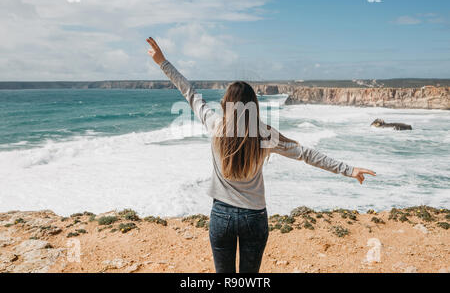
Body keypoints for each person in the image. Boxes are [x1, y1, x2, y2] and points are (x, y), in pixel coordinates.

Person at [146, 37, 376, 273]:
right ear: (253, 105)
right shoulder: (264, 135)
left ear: (226, 103)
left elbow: (190, 93)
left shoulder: (215, 125)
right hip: (254, 217)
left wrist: (162, 62)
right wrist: (349, 170)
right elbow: (305, 154)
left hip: (221, 216)